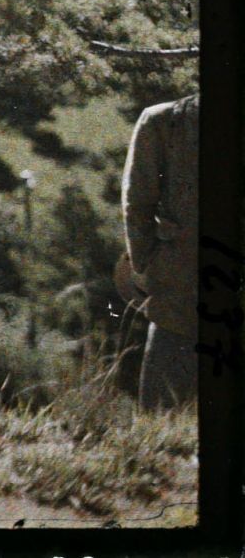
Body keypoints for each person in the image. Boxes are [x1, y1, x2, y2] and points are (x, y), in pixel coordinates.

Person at [122, 92, 199, 410]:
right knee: (163, 408)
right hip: (179, 286)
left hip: (178, 282)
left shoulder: (163, 121)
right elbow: (138, 204)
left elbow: (137, 205)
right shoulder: (163, 121)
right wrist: (150, 267)